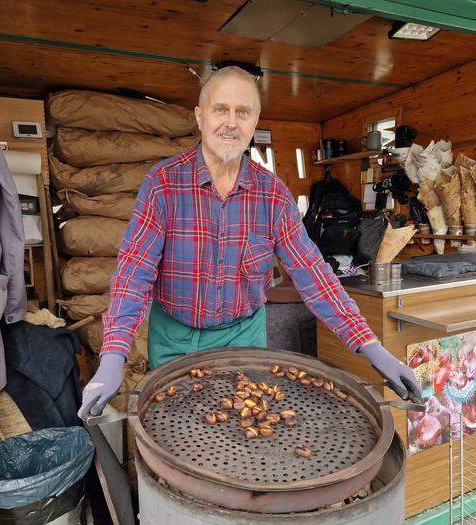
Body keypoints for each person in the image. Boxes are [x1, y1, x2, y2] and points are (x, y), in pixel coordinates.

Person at [78, 67, 421, 419]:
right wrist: (113, 355)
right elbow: (134, 273)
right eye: (220, 109)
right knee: (181, 430)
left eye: (242, 112)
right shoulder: (163, 183)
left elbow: (313, 275)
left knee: (244, 428)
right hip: (175, 337)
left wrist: (372, 346)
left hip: (243, 337)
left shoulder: (272, 194)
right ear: (199, 116)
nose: (231, 122)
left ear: (254, 120)